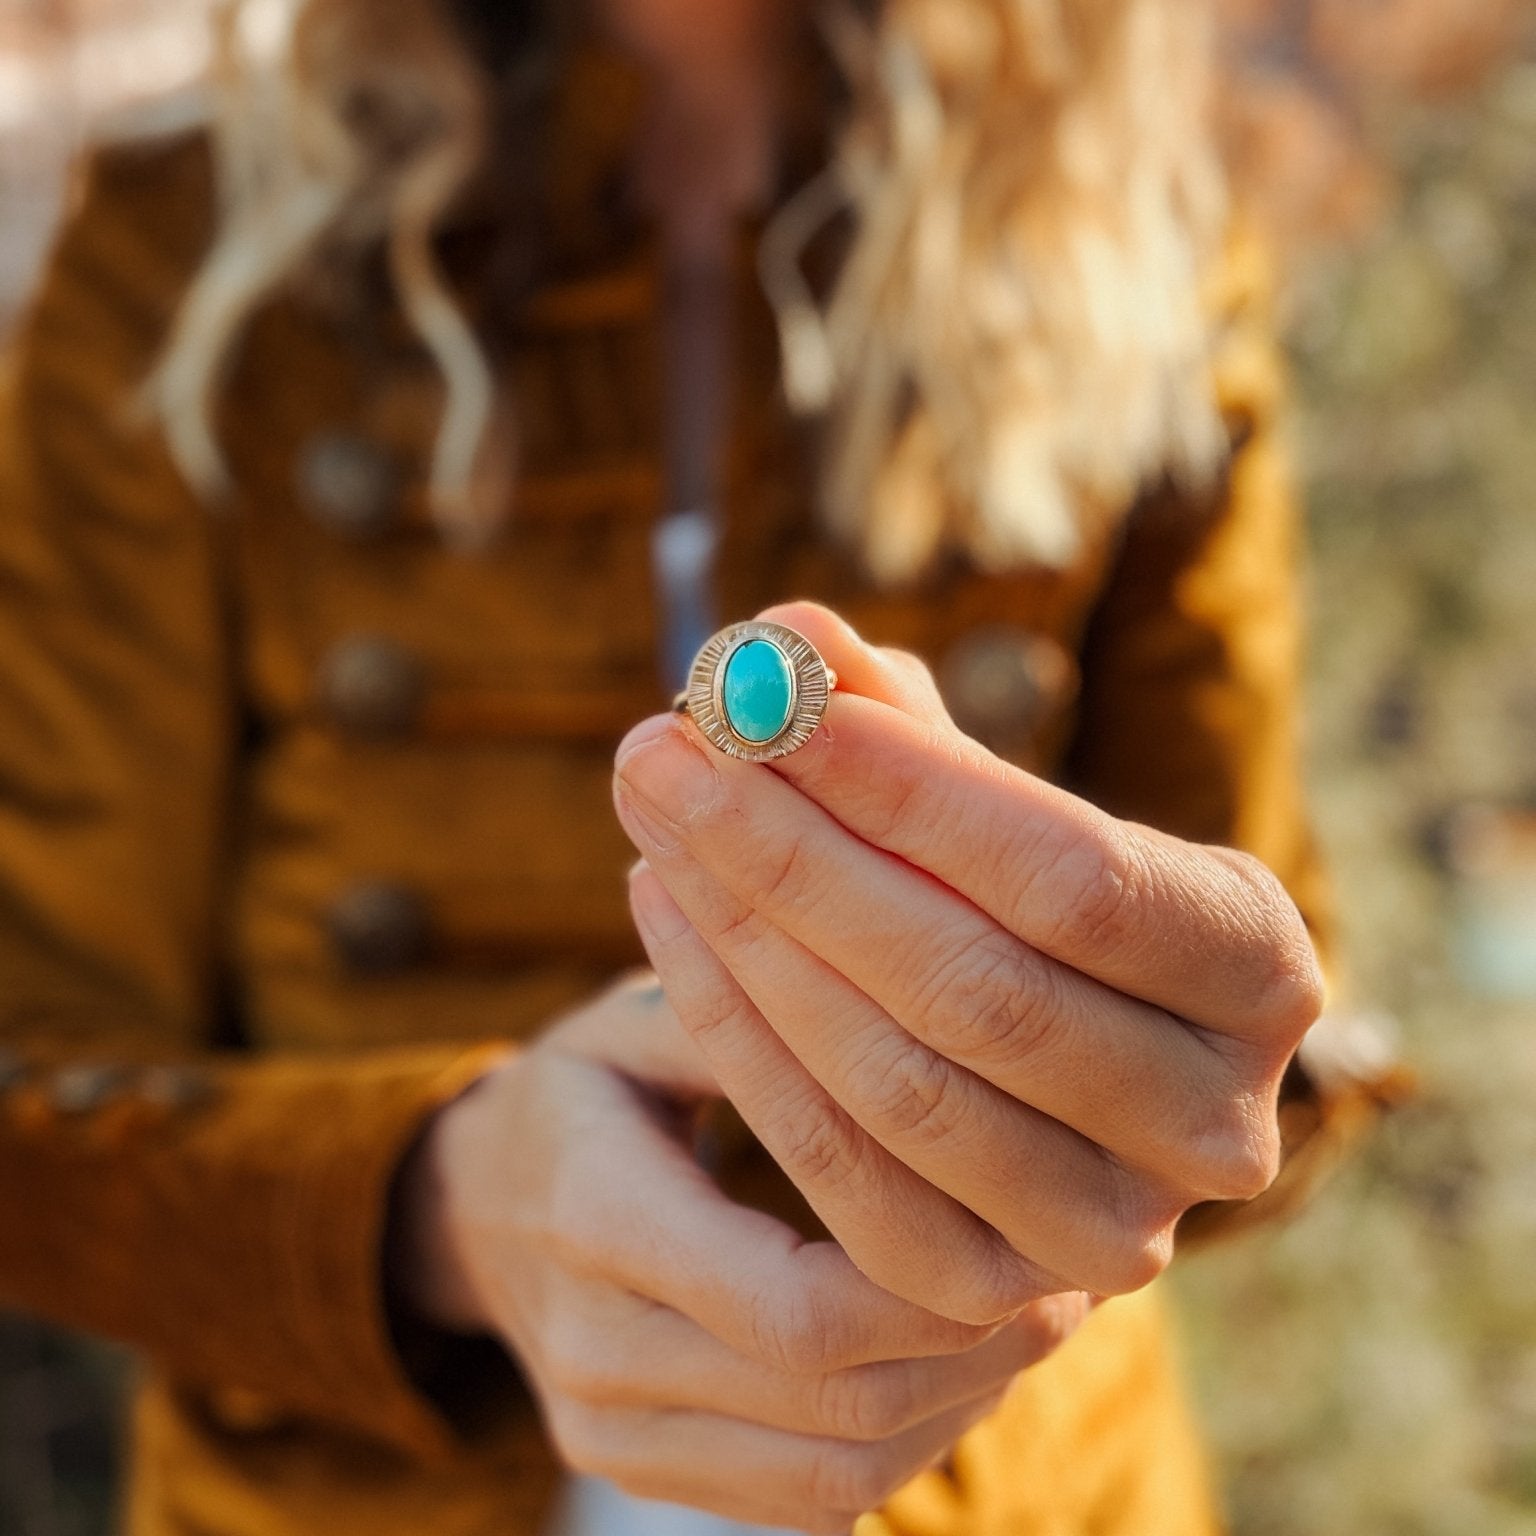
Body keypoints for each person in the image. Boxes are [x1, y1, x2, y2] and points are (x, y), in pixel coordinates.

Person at [0, 1, 1376, 1533]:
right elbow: (29, 1087)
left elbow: (1278, 1024)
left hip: (1019, 1485)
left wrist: (1175, 1074)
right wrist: (436, 1209)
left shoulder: (1132, 235)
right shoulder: (182, 247)